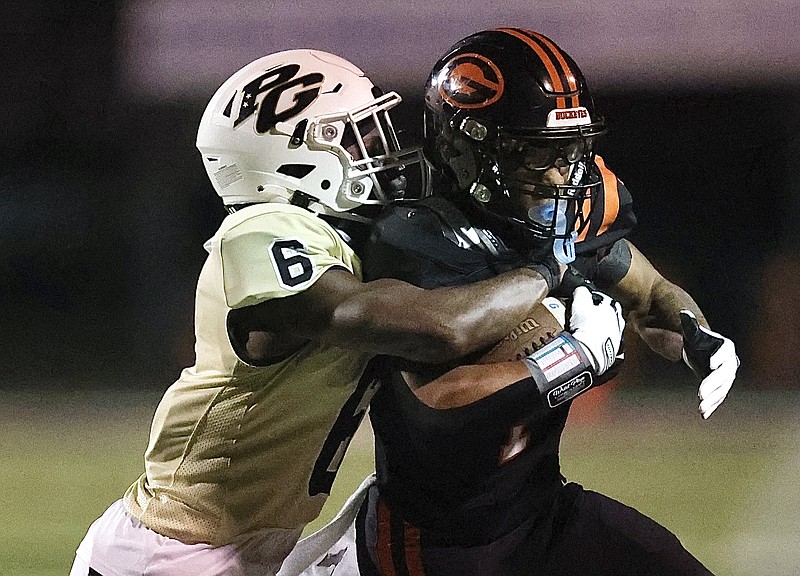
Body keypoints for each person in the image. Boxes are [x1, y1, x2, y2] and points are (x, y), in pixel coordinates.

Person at [70, 49, 623, 576]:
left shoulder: (341, 237)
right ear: (295, 156)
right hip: (170, 554)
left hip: (260, 546)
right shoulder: (260, 232)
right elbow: (430, 325)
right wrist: (550, 273)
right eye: (357, 137)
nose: (380, 151)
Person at [276, 29, 739, 576]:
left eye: (569, 150)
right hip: (438, 540)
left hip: (540, 510)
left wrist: (694, 333)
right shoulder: (414, 236)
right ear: (463, 145)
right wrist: (571, 360)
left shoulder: (575, 203)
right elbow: (438, 408)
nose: (561, 173)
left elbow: (650, 294)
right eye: (535, 153)